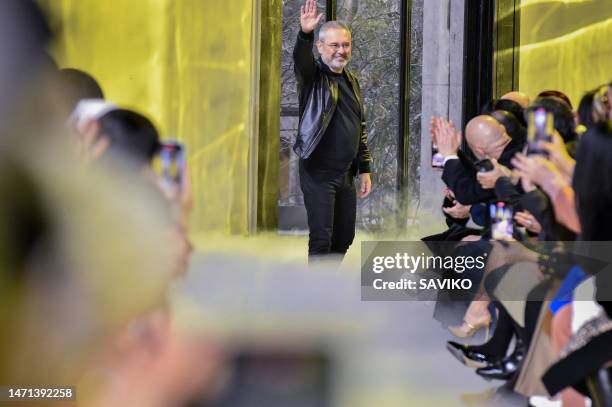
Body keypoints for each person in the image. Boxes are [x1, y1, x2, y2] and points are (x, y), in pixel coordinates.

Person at [293, 0, 372, 264]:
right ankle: (317, 297)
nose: (341, 51)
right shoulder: (312, 77)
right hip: (318, 172)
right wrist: (305, 34)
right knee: (322, 238)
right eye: (334, 45)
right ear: (321, 47)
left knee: (344, 238)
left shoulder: (352, 81)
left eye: (345, 45)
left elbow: (359, 128)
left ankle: (328, 286)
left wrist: (365, 169)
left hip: (345, 174)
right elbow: (301, 62)